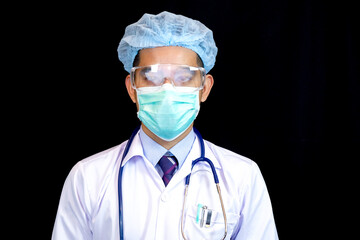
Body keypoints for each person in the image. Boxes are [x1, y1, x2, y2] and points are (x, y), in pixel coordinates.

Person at [52, 11, 279, 240]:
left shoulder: (242, 177)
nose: (167, 89)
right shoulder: (88, 177)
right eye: (152, 77)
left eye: (184, 77)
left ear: (205, 88)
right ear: (132, 87)